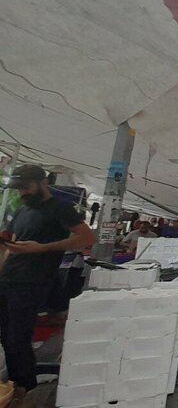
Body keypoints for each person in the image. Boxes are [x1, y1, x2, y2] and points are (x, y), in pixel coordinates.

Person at [0, 165, 96, 400]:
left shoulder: (60, 209)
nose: (23, 192)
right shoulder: (22, 210)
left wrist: (42, 248)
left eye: (26, 187)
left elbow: (86, 237)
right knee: (6, 335)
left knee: (18, 336)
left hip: (33, 280)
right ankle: (15, 382)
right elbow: (11, 245)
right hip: (8, 277)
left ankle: (25, 387)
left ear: (43, 182)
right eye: (20, 188)